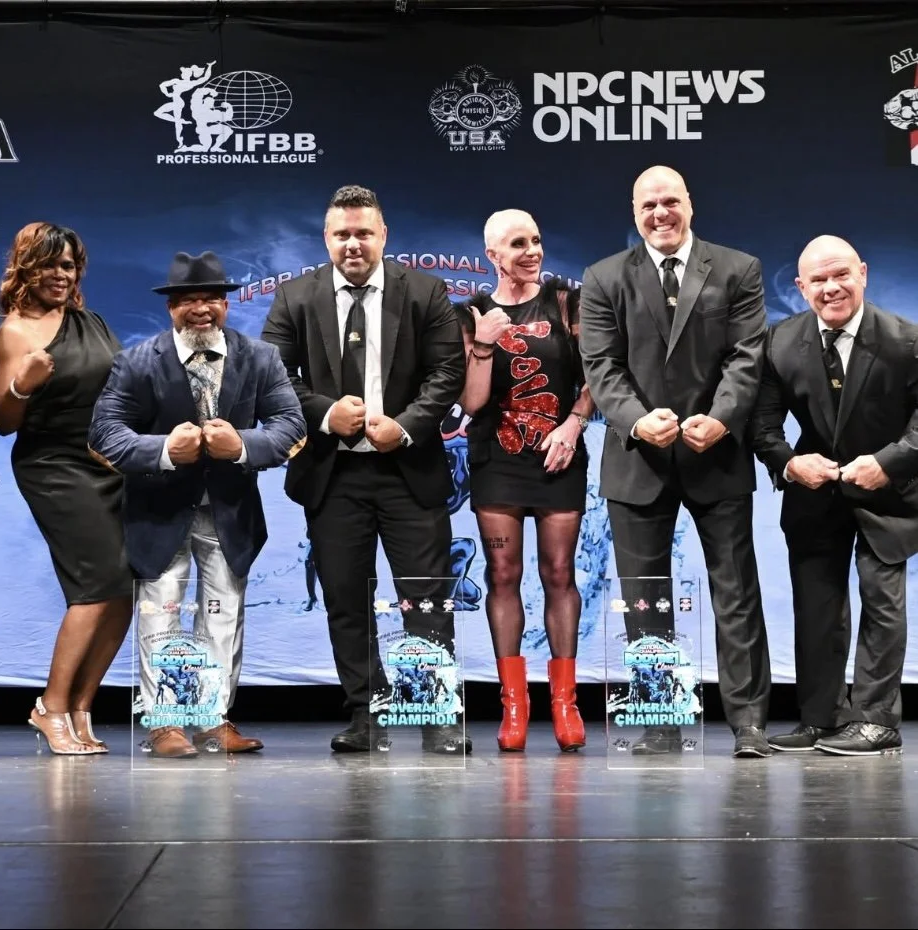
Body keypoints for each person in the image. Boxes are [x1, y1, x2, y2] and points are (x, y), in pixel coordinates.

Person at [261, 185, 468, 754]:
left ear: (384, 236)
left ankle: (435, 712)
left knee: (426, 597)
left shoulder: (425, 291)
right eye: (341, 234)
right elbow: (274, 377)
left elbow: (447, 373)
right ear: (326, 238)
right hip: (333, 477)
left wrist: (403, 426)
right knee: (346, 601)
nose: (353, 243)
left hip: (410, 470)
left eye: (363, 233)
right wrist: (327, 414)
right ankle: (366, 715)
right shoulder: (296, 296)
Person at [579, 165, 772, 758]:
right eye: (648, 206)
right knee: (645, 597)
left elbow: (747, 357)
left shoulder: (738, 269)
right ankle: (662, 720)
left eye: (670, 202)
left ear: (690, 204)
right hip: (638, 458)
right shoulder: (603, 277)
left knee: (735, 592)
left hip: (716, 454)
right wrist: (637, 419)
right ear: (634, 213)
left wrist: (721, 418)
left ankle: (749, 725)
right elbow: (601, 366)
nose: (660, 214)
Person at [89, 250, 306, 758]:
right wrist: (164, 449)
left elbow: (290, 425)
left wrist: (244, 446)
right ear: (171, 308)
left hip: (229, 512)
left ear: (227, 305)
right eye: (189, 300)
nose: (201, 308)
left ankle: (213, 719)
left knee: (223, 614)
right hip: (160, 511)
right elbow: (104, 432)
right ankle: (165, 723)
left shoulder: (261, 358)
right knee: (160, 612)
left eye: (211, 298)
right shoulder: (138, 361)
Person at [751, 235, 918, 756]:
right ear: (801, 287)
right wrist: (789, 462)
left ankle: (876, 719)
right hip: (815, 493)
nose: (831, 288)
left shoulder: (905, 340)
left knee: (880, 600)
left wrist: (887, 463)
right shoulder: (779, 342)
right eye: (818, 280)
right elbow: (762, 425)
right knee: (817, 606)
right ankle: (821, 717)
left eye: (840, 274)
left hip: (887, 492)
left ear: (862, 273)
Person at [0, 222, 132, 756]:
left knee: (124, 590)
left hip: (108, 464)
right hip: (54, 466)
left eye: (67, 264)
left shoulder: (88, 320)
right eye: (48, 263)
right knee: (95, 584)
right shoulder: (14, 332)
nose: (59, 273)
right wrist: (23, 383)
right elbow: (3, 419)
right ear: (26, 267)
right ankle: (49, 707)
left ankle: (80, 705)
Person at [456, 209, 594, 753]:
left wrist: (573, 424)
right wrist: (485, 343)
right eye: (518, 244)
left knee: (559, 573)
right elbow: (471, 402)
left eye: (536, 239)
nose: (532, 251)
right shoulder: (470, 314)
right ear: (493, 255)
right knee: (503, 574)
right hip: (498, 461)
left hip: (559, 456)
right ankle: (514, 705)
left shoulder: (566, 301)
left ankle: (566, 703)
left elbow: (597, 375)